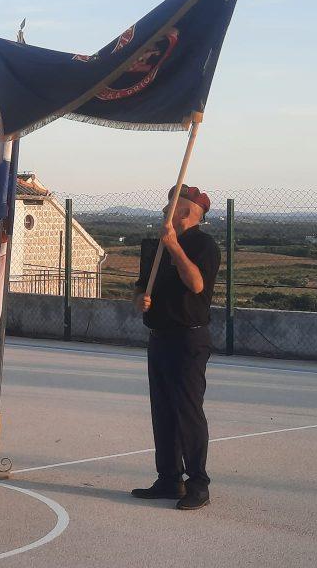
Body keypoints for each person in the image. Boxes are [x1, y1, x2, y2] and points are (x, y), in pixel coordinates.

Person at [131, 184, 220, 511]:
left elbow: (196, 284)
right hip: (159, 336)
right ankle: (169, 479)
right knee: (163, 411)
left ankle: (199, 484)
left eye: (171, 205)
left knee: (187, 413)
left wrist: (174, 247)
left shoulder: (203, 245)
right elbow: (140, 288)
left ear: (185, 212)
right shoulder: (155, 247)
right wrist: (140, 300)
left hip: (188, 339)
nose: (164, 210)